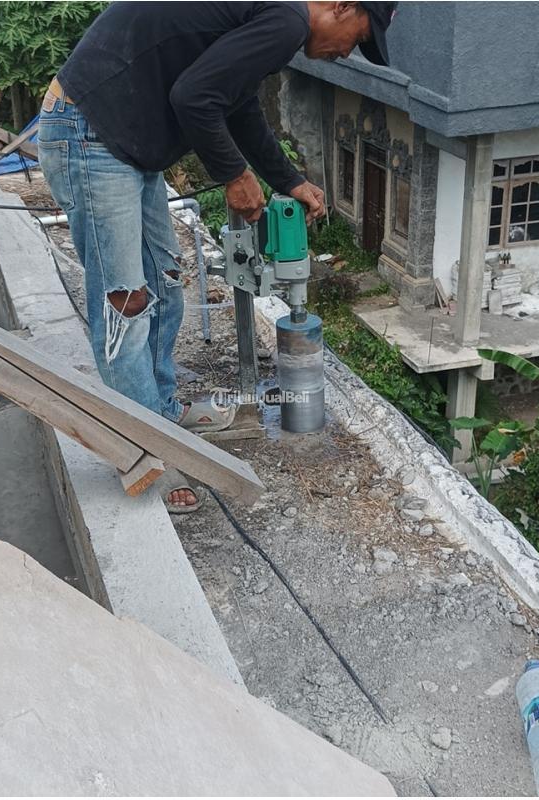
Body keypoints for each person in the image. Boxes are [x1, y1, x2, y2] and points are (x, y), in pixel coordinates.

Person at [39, 1, 397, 512]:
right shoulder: (287, 19)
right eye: (358, 38)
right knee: (125, 301)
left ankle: (160, 412)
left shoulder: (276, 15)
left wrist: (288, 179)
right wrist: (234, 174)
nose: (347, 54)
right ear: (342, 5)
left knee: (164, 281)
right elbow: (194, 97)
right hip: (89, 132)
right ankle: (143, 453)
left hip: (122, 137)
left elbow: (238, 104)